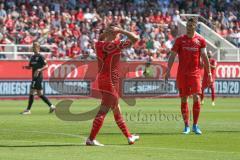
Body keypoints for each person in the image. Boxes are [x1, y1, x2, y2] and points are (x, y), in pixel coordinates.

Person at [86, 24, 139, 146]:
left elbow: (100, 38)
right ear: (116, 33)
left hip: (102, 79)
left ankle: (129, 137)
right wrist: (121, 30)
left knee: (116, 109)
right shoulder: (117, 45)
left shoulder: (98, 45)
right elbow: (136, 39)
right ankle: (91, 139)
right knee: (104, 109)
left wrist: (106, 32)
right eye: (117, 32)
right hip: (111, 80)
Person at [165, 17, 213, 135]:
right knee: (184, 98)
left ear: (195, 26)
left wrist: (209, 73)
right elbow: (172, 56)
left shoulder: (200, 40)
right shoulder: (180, 40)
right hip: (182, 74)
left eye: (191, 26)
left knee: (197, 97)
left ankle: (195, 125)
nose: (188, 28)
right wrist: (168, 70)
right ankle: (186, 125)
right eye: (187, 25)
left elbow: (205, 57)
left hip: (195, 74)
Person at [21, 41, 55, 115]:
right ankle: (52, 106)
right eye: (33, 46)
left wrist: (39, 69)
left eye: (35, 46)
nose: (33, 47)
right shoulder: (32, 57)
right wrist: (26, 67)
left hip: (38, 77)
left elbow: (46, 66)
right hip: (34, 77)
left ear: (38, 48)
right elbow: (30, 66)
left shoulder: (40, 57)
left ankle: (28, 110)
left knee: (32, 92)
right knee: (40, 94)